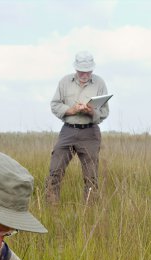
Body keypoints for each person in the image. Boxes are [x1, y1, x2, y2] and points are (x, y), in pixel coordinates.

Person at [46, 51, 110, 203]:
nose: (84, 74)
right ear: (76, 68)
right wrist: (71, 110)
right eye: (81, 70)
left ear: (92, 69)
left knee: (91, 177)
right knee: (54, 171)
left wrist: (91, 112)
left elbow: (105, 111)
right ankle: (51, 210)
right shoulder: (64, 82)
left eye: (87, 71)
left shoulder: (100, 83)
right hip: (68, 130)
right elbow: (55, 105)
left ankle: (90, 213)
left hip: (90, 133)